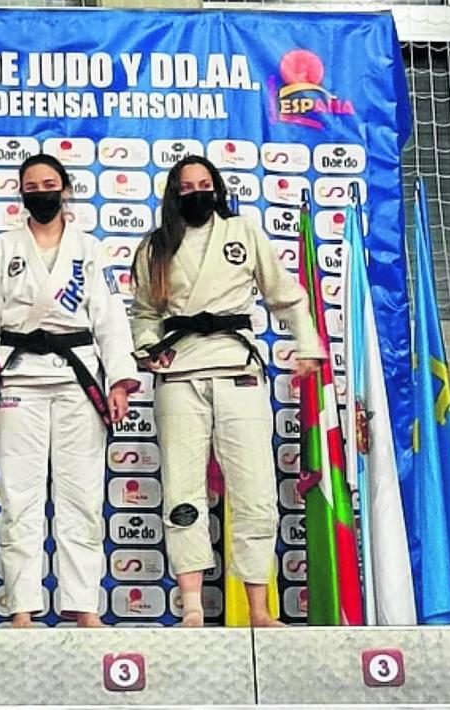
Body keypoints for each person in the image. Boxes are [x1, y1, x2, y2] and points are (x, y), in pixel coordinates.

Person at [129, 155, 323, 626]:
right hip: (179, 371)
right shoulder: (156, 245)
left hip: (237, 366)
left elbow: (286, 294)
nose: (196, 193)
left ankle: (258, 608)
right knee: (182, 489)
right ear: (174, 195)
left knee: (255, 488)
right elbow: (144, 312)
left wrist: (307, 345)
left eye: (204, 184)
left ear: (216, 189)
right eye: (186, 187)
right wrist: (148, 349)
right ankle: (192, 606)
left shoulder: (243, 233)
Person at [0, 154, 139, 627]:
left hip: (78, 379)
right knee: (19, 498)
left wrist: (119, 380)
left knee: (83, 497)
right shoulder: (2, 248)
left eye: (49, 184)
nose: (41, 192)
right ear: (21, 193)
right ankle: (22, 607)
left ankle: (84, 605)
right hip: (19, 380)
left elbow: (110, 318)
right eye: (32, 186)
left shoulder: (89, 249)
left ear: (65, 190)